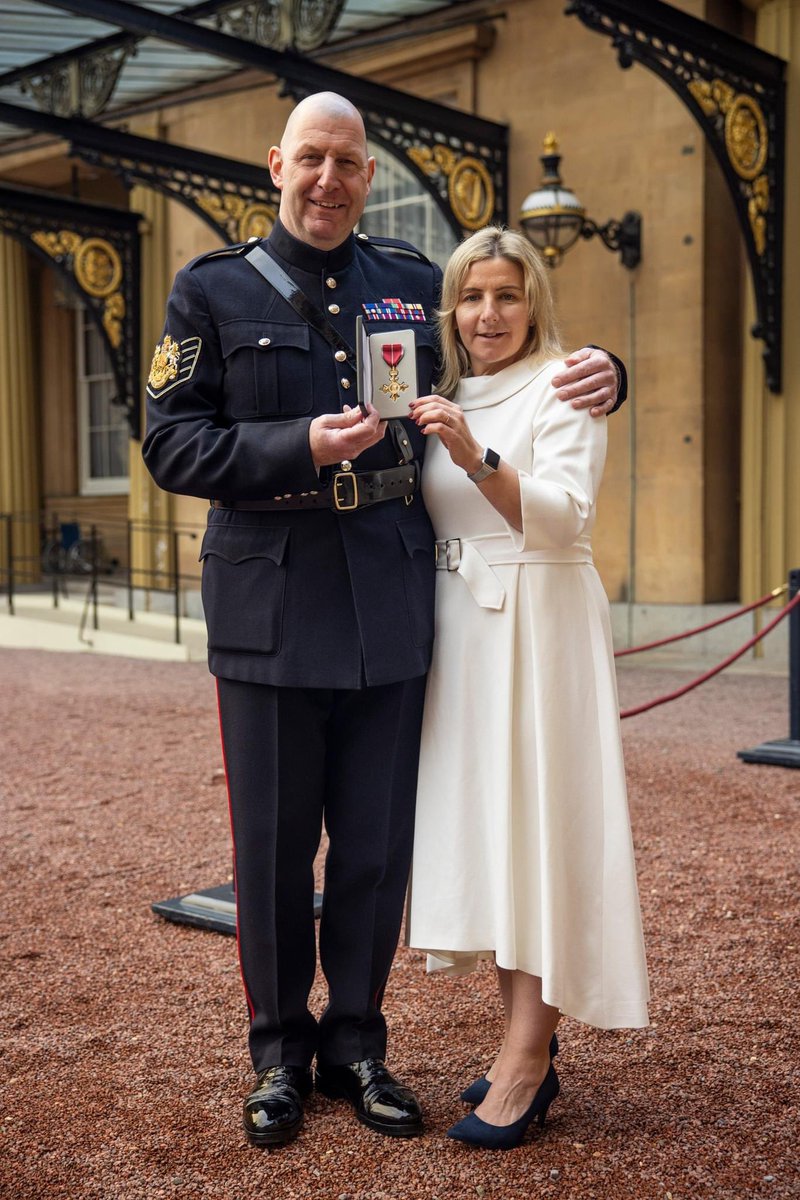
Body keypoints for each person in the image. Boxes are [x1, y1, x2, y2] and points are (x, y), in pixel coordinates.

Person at [142, 92, 626, 1147]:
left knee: (370, 850)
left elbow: (502, 370)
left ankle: (357, 1042)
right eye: (310, 159)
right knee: (274, 852)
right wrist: (294, 451)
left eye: (348, 163)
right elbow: (172, 447)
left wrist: (605, 372)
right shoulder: (211, 290)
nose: (328, 180)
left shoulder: (414, 283)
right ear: (276, 164)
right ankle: (278, 1056)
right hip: (269, 610)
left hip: (392, 612)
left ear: (367, 174)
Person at [406, 226, 649, 1150]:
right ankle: (521, 1035)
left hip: (539, 624)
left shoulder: (568, 382)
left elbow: (564, 519)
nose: (488, 315)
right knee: (499, 837)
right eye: (472, 297)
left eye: (506, 295)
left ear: (533, 300)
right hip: (463, 631)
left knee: (543, 831)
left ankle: (528, 1060)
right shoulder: (449, 389)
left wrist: (473, 454)